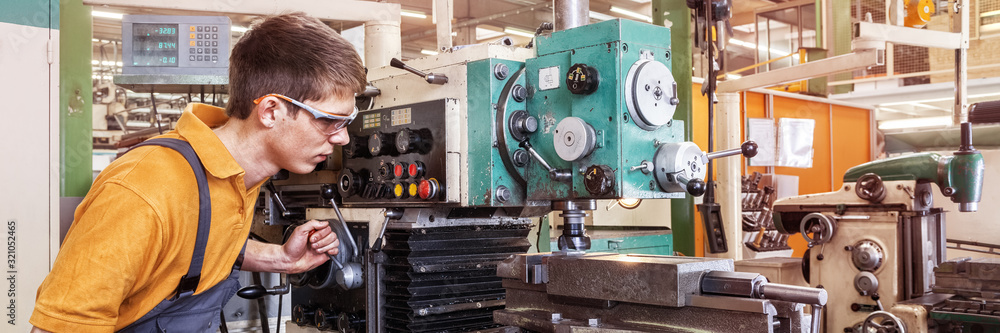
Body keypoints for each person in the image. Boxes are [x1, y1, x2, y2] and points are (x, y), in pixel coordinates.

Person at [30, 12, 366, 332]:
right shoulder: (143, 191)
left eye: (347, 122)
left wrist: (280, 258)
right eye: (329, 120)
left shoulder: (238, 176)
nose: (343, 137)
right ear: (270, 111)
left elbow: (186, 247)